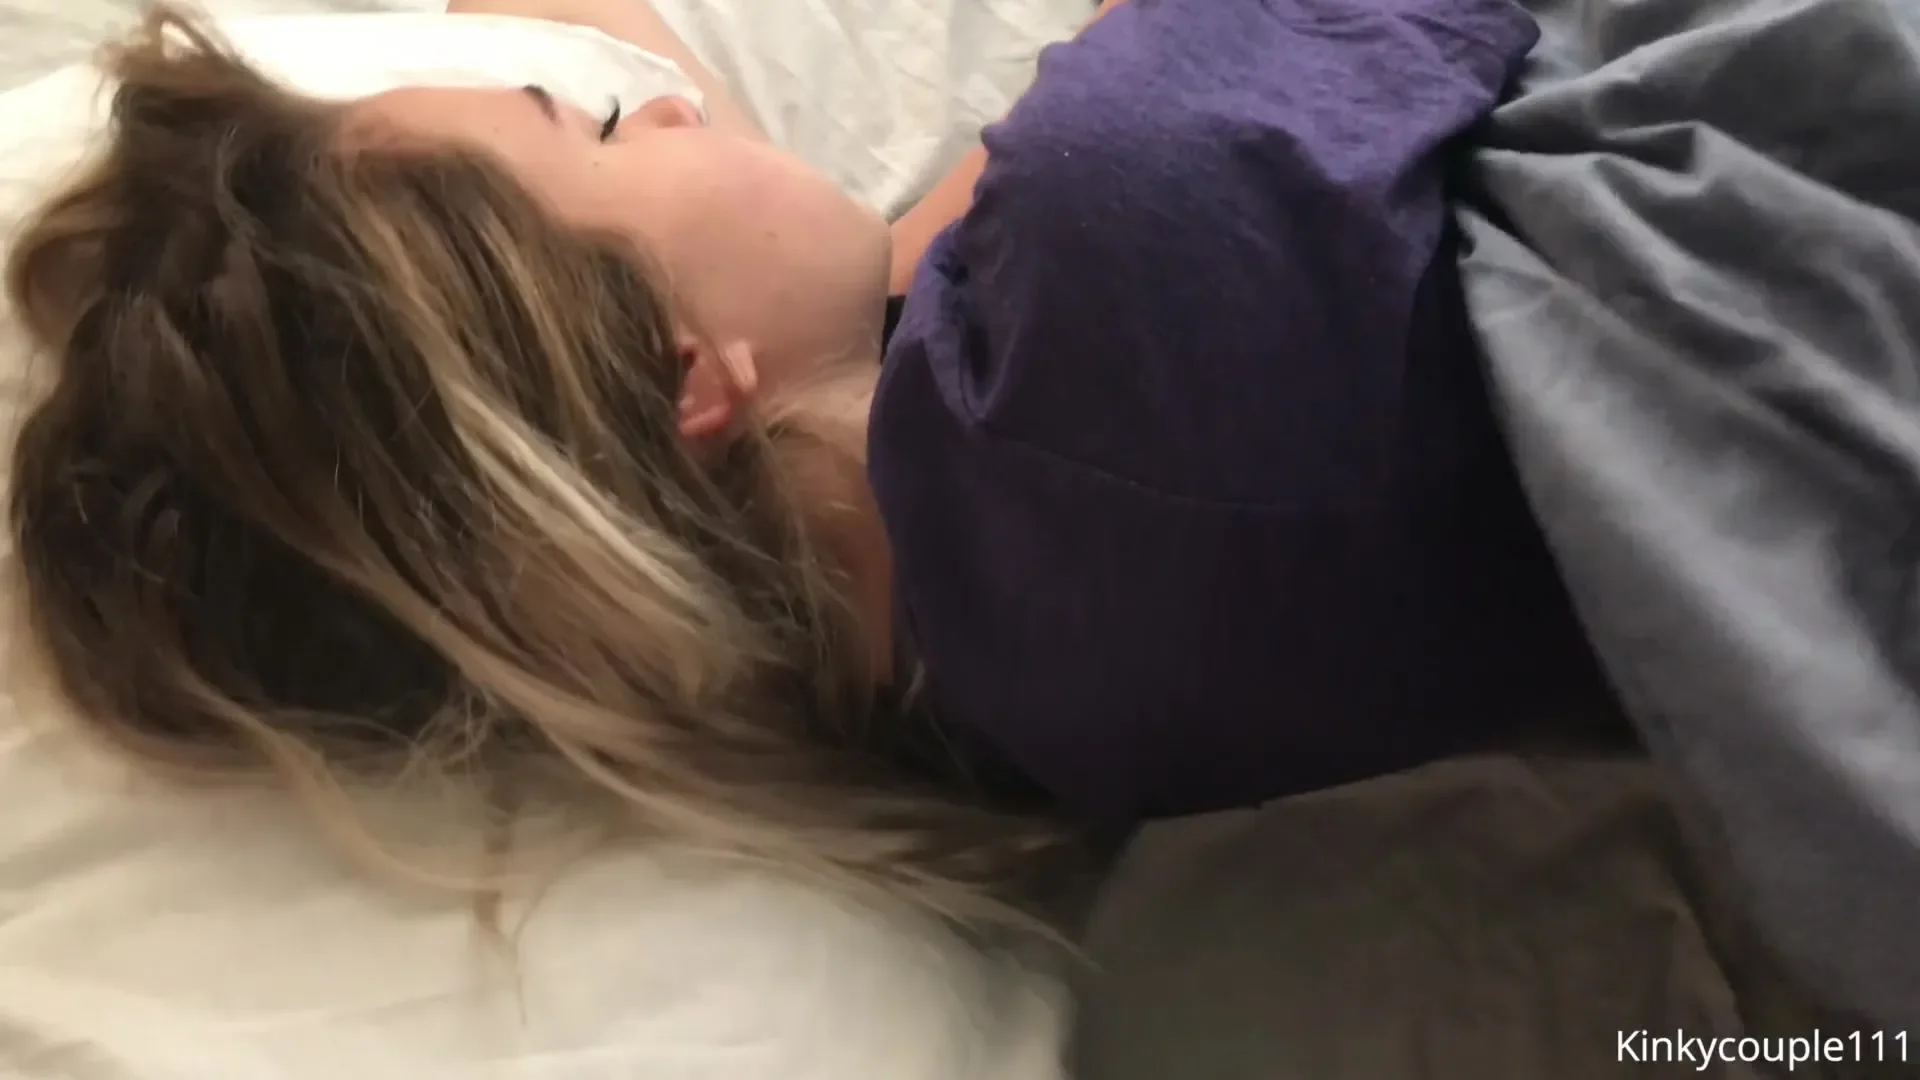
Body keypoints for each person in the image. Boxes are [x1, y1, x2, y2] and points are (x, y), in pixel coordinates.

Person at [3, 0, 1602, 925]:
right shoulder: (1121, 244)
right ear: (685, 376)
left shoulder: (943, 688)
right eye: (606, 132)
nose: (668, 109)